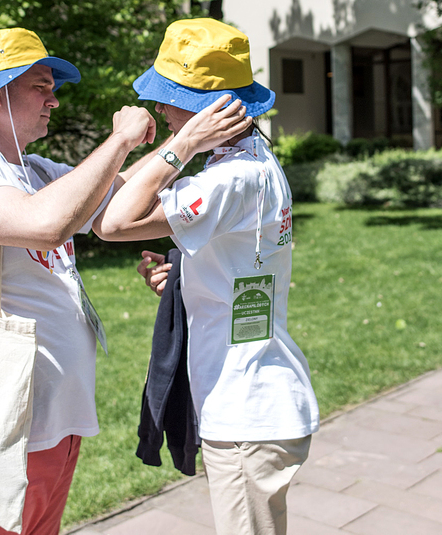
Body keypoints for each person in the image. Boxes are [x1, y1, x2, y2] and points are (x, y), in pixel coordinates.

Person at [0, 27, 160, 535]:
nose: (54, 100)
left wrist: (189, 140)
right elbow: (44, 225)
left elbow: (118, 198)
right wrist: (119, 139)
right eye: (40, 86)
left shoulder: (35, 169)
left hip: (53, 417)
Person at [92, 18, 320, 535]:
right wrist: (186, 273)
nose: (159, 109)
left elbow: (112, 222)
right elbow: (235, 257)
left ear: (206, 111)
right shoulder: (251, 160)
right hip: (258, 401)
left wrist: (182, 145)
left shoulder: (229, 177)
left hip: (247, 413)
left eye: (169, 98)